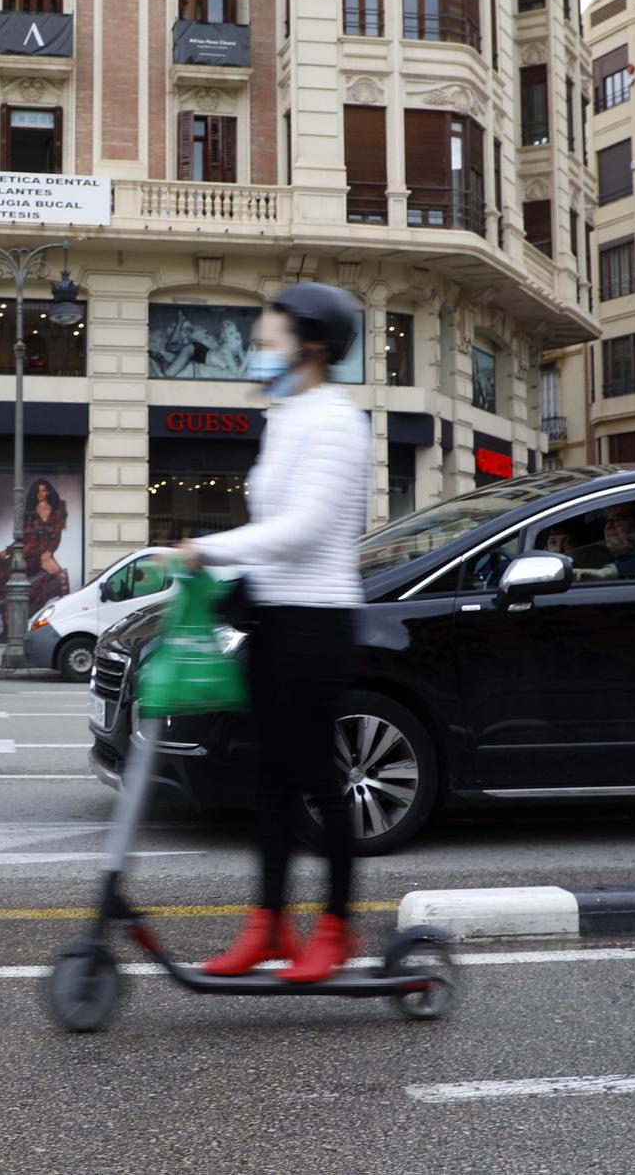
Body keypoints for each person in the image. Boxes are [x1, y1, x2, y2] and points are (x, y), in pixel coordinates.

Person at [175, 281, 372, 984]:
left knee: (318, 777)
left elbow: (309, 528)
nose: (257, 352)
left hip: (318, 621)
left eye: (268, 340)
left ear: (312, 344)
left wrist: (210, 548)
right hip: (273, 617)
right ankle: (268, 925)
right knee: (269, 782)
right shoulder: (286, 416)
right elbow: (271, 527)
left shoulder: (338, 420)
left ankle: (339, 928)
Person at [0, 476, 72, 637]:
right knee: (11, 584)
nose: (41, 494)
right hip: (29, 553)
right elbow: (23, 536)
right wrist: (9, 550)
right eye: (38, 491)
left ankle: (66, 621)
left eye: (44, 490)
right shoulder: (29, 513)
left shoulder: (56, 512)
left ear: (48, 492)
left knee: (61, 579)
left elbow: (56, 537)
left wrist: (49, 552)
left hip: (44, 554)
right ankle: (9, 626)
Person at [574, 502, 635, 581]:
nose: (609, 526)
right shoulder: (611, 554)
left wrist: (606, 573)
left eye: (618, 518)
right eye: (606, 520)